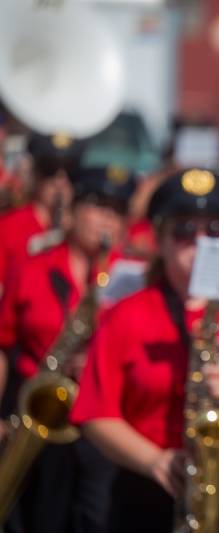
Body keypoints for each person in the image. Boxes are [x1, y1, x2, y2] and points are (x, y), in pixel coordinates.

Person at [71, 168, 219, 533]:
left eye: (213, 229)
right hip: (151, 484)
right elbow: (93, 412)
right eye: (183, 230)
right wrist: (155, 461)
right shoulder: (127, 314)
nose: (199, 241)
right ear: (161, 240)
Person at [0, 164, 135, 533]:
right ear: (73, 211)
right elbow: (3, 344)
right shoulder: (32, 268)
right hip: (37, 419)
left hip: (104, 423)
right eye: (97, 206)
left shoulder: (135, 280)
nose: (107, 219)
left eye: (117, 210)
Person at [0, 133, 84, 297]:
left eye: (70, 172)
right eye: (50, 170)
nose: (60, 181)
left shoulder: (82, 232)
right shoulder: (8, 227)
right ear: (37, 174)